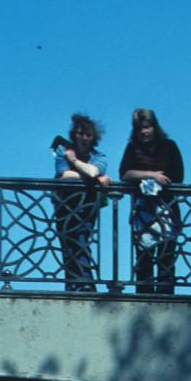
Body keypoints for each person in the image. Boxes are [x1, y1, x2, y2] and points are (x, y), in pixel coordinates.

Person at [118, 108, 185, 295]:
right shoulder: (133, 148)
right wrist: (151, 175)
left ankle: (166, 294)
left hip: (167, 208)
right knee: (144, 257)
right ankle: (144, 294)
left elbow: (178, 176)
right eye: (140, 128)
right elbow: (124, 173)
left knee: (166, 256)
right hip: (143, 209)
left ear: (155, 127)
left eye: (147, 127)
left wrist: (161, 183)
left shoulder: (170, 146)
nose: (144, 132)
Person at [52, 113, 111, 293]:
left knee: (82, 240)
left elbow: (94, 171)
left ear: (93, 138)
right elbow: (64, 176)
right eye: (80, 134)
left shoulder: (99, 157)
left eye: (88, 135)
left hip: (87, 206)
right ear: (74, 135)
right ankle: (74, 284)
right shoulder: (63, 152)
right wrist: (90, 177)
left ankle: (85, 283)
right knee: (68, 243)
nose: (83, 138)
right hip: (65, 204)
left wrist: (74, 162)